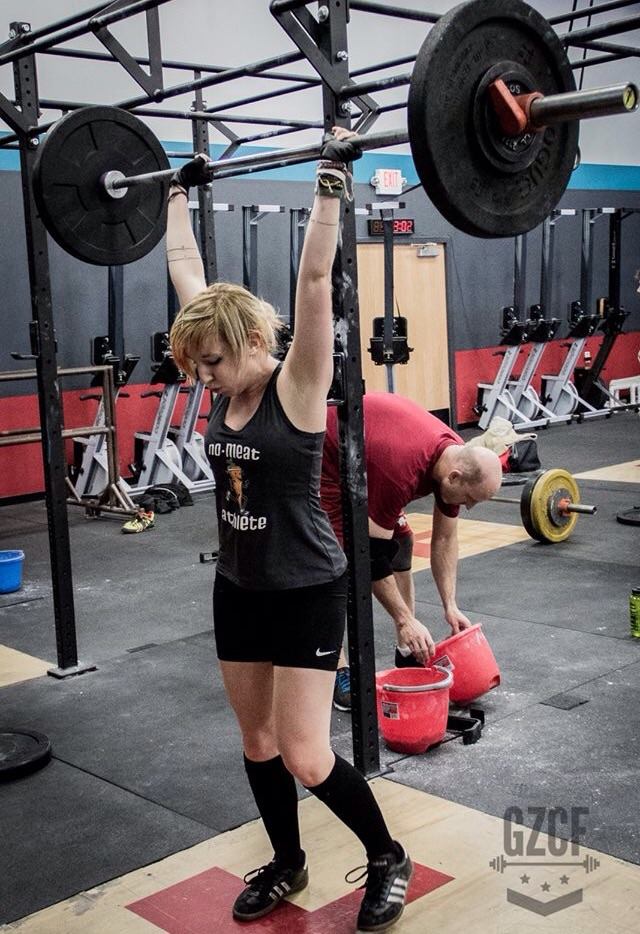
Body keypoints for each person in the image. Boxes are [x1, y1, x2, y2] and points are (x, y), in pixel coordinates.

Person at [166, 133, 412, 932]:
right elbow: (186, 271)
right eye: (195, 365)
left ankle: (387, 856)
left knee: (307, 753)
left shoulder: (298, 386)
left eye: (209, 363)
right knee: (258, 739)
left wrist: (330, 180)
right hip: (239, 585)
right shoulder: (221, 367)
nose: (200, 377)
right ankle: (287, 860)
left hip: (307, 587)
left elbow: (313, 280)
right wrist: (175, 192)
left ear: (248, 344)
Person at [321, 393, 503, 711]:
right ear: (455, 478)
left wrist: (450, 605)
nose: (469, 507)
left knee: (401, 543)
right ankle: (339, 671)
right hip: (326, 457)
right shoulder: (401, 472)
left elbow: (444, 539)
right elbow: (370, 556)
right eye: (470, 499)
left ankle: (407, 649)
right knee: (334, 564)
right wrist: (405, 619)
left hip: (368, 451)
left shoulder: (455, 457)